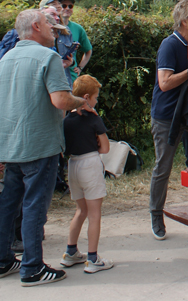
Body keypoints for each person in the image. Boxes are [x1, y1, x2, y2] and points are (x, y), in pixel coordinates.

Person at [0, 8, 90, 287]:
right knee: (34, 206)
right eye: (49, 25)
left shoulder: (4, 60)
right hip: (39, 144)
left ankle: (2, 260)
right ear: (35, 26)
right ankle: (32, 268)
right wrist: (81, 102)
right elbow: (60, 100)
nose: (54, 31)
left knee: (8, 204)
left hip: (9, 144)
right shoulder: (48, 57)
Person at [150, 0, 188, 240]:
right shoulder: (170, 45)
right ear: (184, 21)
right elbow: (164, 83)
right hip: (167, 116)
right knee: (163, 167)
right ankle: (156, 215)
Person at [61, 74, 113, 274]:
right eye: (96, 97)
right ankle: (93, 259)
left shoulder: (67, 120)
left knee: (80, 211)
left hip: (73, 164)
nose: (97, 101)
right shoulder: (93, 119)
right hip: (90, 163)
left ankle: (70, 252)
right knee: (94, 213)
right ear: (86, 97)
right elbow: (105, 148)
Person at [58, 0, 92, 78]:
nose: (67, 8)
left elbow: (88, 50)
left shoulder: (78, 28)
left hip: (71, 76)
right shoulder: (50, 27)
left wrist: (80, 67)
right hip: (55, 76)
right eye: (64, 6)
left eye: (70, 6)